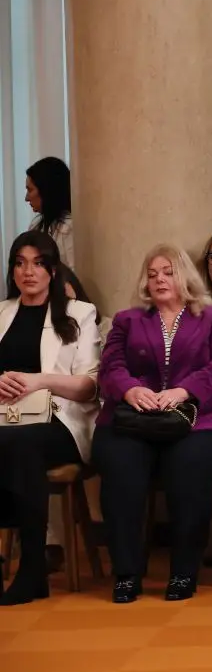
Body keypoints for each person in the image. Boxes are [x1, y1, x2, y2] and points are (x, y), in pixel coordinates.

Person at [91, 244, 212, 604]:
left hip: (203, 418)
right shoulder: (128, 320)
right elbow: (110, 368)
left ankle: (183, 572)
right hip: (135, 418)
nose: (159, 279)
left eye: (168, 272)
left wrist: (184, 390)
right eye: (152, 274)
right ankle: (127, 573)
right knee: (119, 463)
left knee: (188, 463)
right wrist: (130, 390)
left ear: (185, 276)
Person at [0, 232, 99, 606]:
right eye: (20, 263)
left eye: (38, 263)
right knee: (13, 442)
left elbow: (89, 386)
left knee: (20, 443)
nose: (28, 272)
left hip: (59, 421)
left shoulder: (79, 314)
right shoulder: (1, 313)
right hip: (6, 419)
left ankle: (32, 569)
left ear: (53, 271)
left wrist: (38, 381)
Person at [25, 158, 74, 267]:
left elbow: (74, 273)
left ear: (46, 190)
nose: (26, 198)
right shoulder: (35, 225)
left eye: (30, 190)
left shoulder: (69, 228)